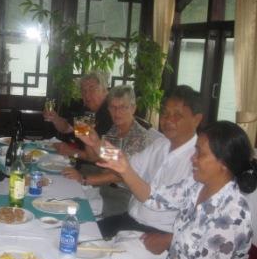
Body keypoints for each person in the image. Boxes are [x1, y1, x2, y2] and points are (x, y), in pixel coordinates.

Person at [118, 121, 256, 259]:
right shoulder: (196, 185)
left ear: (224, 163)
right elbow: (155, 197)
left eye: (200, 153)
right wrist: (124, 169)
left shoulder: (232, 216)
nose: (193, 157)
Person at [80, 85, 203, 239]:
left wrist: (168, 241)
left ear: (196, 120)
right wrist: (96, 143)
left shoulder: (199, 161)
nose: (168, 119)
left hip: (155, 234)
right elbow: (126, 164)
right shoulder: (161, 144)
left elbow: (156, 198)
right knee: (80, 233)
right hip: (130, 219)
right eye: (165, 113)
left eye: (177, 115)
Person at [62, 85, 155, 217]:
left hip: (124, 198)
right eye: (113, 107)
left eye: (123, 107)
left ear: (133, 108)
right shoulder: (115, 130)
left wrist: (84, 179)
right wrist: (89, 140)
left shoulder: (139, 137)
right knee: (66, 195)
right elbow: (94, 158)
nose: (117, 112)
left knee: (74, 209)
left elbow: (118, 175)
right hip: (104, 189)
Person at [43, 72, 112, 160]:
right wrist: (54, 118)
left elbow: (106, 158)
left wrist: (72, 152)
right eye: (83, 90)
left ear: (105, 91)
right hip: (79, 161)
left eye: (92, 89)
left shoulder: (111, 113)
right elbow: (67, 128)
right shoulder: (87, 111)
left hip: (96, 169)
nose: (86, 95)